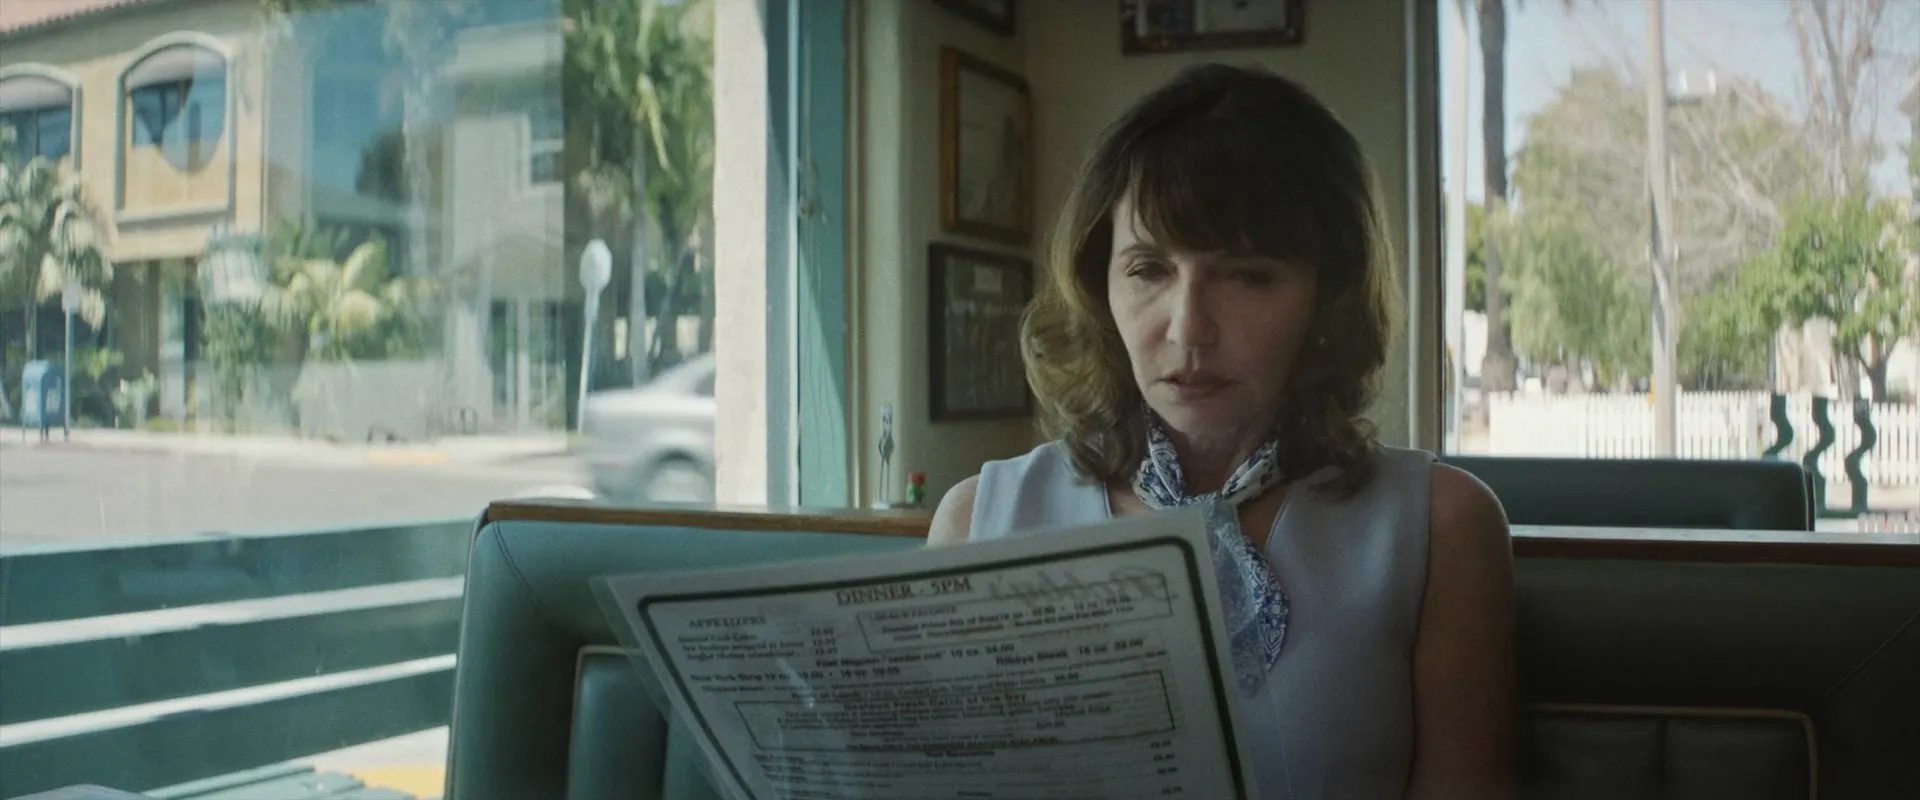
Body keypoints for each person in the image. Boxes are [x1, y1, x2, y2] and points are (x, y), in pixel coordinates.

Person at [928, 63, 1516, 799]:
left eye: (1247, 275)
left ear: (1327, 295)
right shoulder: (977, 522)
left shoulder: (1440, 525)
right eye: (1148, 269)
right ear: (1099, 285)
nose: (1188, 328)